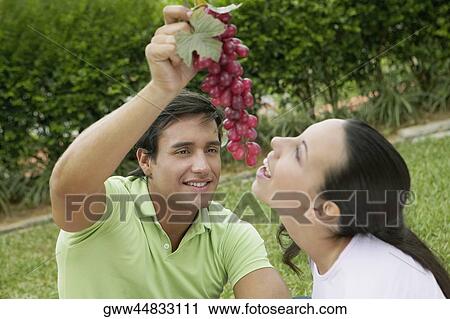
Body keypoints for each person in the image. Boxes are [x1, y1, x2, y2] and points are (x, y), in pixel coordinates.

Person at [50, 5, 290, 298]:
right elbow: (67, 187)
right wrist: (160, 89)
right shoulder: (108, 206)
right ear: (145, 160)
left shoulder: (229, 231)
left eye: (211, 149)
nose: (203, 166)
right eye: (183, 151)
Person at [252, 118, 450, 298]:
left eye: (298, 153)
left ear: (326, 211)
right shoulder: (332, 247)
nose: (277, 141)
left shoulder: (367, 289)